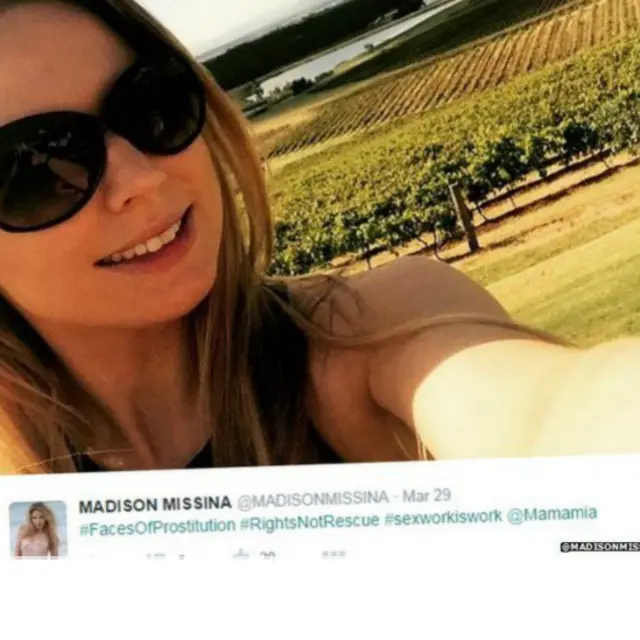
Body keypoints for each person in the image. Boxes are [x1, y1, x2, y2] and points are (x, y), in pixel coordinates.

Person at [0, 0, 637, 476]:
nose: (141, 178)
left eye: (151, 105)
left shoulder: (367, 338)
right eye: (35, 169)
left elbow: (552, 416)